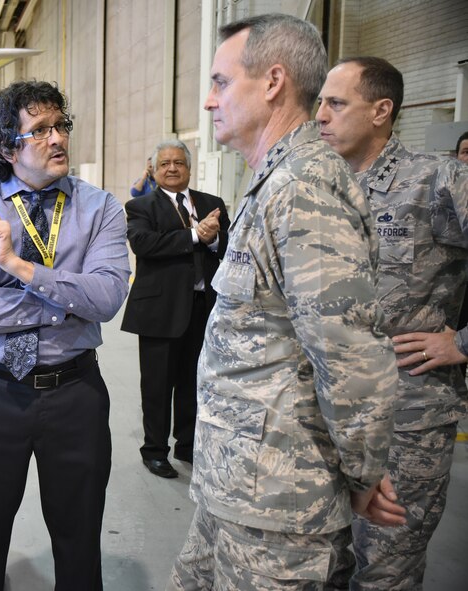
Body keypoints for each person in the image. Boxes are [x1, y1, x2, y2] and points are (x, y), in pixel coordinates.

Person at [168, 14, 405, 590]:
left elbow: (351, 357)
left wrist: (363, 473)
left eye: (221, 82)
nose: (208, 100)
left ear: (272, 81)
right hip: (239, 490)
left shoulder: (303, 187)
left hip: (279, 510)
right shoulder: (277, 183)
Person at [0, 80, 130, 590]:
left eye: (61, 126)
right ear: (7, 147)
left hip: (75, 395)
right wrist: (68, 304)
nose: (57, 138)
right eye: (39, 130)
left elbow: (108, 299)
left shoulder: (101, 207)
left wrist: (19, 268)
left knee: (79, 537)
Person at [317, 56, 468, 591]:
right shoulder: (323, 189)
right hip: (329, 418)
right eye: (320, 103)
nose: (320, 116)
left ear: (382, 110)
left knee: (385, 571)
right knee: (325, 565)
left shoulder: (438, 179)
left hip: (407, 421)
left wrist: (464, 342)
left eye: (336, 103)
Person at [121, 139, 229, 479]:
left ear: (189, 168)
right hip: (160, 311)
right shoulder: (141, 206)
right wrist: (195, 236)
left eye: (178, 162)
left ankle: (187, 444)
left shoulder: (212, 204)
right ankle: (154, 450)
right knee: (156, 386)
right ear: (153, 169)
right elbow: (144, 244)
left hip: (203, 308)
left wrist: (213, 239)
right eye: (165, 163)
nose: (172, 168)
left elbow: (228, 245)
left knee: (193, 382)